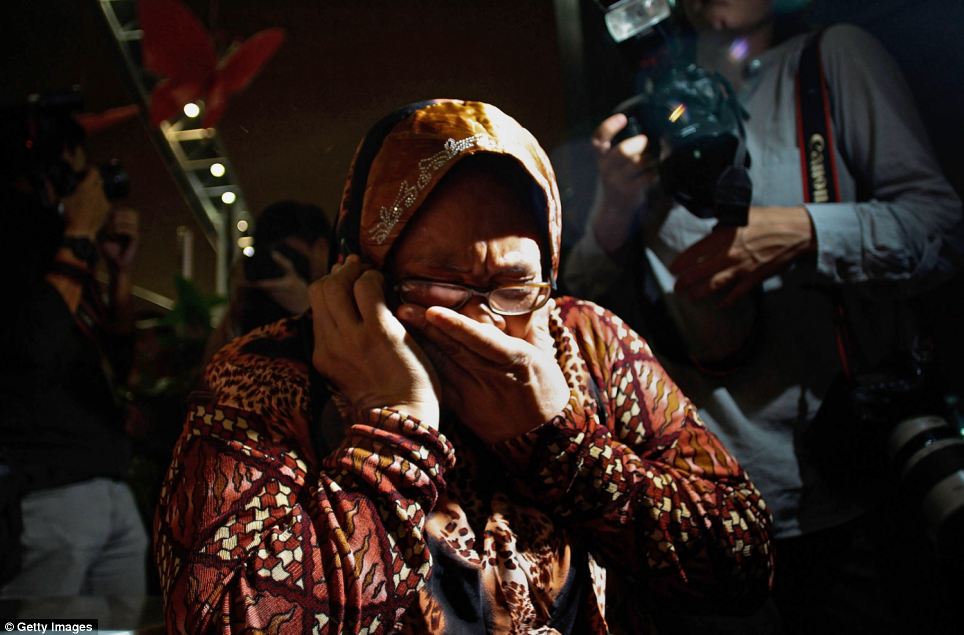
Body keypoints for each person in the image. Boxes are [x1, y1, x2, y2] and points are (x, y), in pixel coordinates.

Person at [154, 99, 773, 633]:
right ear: (364, 272)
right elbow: (221, 619)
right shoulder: (271, 374)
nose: (481, 325)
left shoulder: (587, 341)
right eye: (439, 285)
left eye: (513, 287)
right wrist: (394, 428)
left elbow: (744, 559)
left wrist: (563, 446)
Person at [564, 1, 963, 631]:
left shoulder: (831, 61)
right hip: (711, 501)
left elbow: (941, 229)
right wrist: (613, 207)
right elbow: (579, 309)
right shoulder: (655, 100)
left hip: (846, 473)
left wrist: (801, 231)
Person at [0, 106, 148, 596]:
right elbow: (30, 349)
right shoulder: (23, 241)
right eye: (77, 170)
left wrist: (119, 276)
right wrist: (80, 234)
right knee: (43, 630)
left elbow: (116, 364)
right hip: (43, 491)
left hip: (105, 484)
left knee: (110, 630)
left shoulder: (60, 250)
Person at [203, 200, 332, 362]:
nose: (282, 265)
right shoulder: (254, 303)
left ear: (322, 249)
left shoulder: (347, 300)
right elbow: (214, 368)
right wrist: (240, 300)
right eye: (272, 257)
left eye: (287, 254)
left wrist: (307, 309)